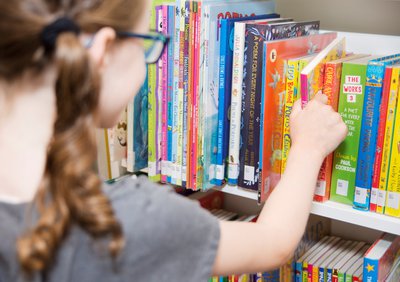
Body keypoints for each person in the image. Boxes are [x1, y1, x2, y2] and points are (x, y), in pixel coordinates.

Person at [0, 0, 347, 281]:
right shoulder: (130, 219)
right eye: (145, 45)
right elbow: (273, 244)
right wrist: (308, 147)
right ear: (103, 51)